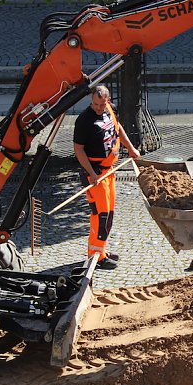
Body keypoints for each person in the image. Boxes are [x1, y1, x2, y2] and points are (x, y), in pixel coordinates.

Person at [73, 85, 140, 270]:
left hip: (108, 171)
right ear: (91, 101)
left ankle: (101, 250)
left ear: (107, 101)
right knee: (100, 215)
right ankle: (96, 256)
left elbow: (118, 128)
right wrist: (92, 174)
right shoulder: (84, 120)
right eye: (95, 104)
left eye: (102, 104)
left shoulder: (110, 110)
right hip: (95, 174)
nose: (98, 108)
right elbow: (78, 149)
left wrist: (131, 148)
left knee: (108, 214)